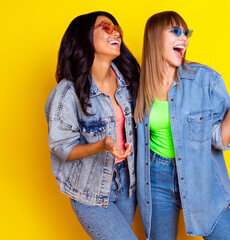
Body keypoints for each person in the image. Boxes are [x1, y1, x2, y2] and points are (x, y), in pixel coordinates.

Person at [134, 11, 230, 240]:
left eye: (186, 33)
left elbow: (219, 140)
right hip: (156, 179)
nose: (184, 38)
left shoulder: (205, 80)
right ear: (153, 38)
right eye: (175, 31)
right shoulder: (138, 87)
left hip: (199, 173)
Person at [45, 11, 140, 240]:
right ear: (85, 37)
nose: (115, 31)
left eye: (117, 28)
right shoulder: (68, 93)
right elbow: (62, 148)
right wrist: (102, 145)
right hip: (91, 188)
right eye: (106, 27)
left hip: (127, 182)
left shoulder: (128, 81)